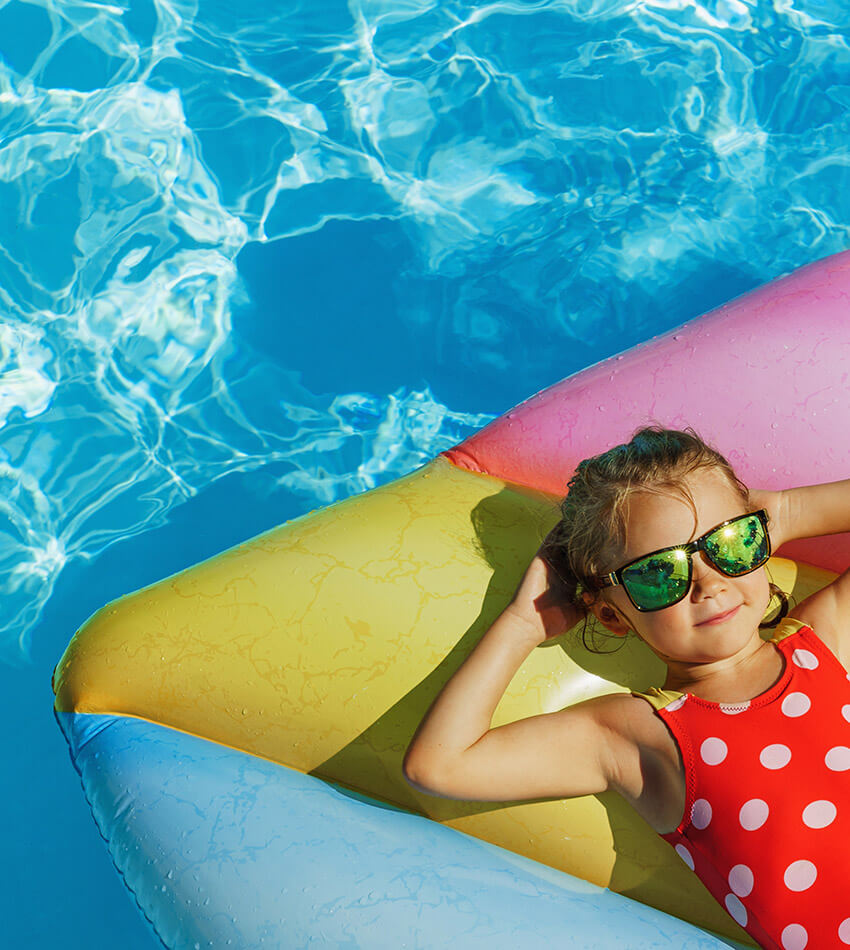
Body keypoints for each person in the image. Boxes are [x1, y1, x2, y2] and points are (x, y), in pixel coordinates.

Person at [403, 427, 850, 950]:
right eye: (659, 574)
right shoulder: (638, 732)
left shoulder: (826, 643)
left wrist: (789, 512)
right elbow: (438, 765)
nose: (709, 583)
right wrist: (524, 624)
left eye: (732, 543)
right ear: (612, 615)